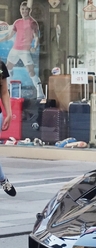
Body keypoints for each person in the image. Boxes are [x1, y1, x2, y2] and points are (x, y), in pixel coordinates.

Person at [0, 2, 44, 99]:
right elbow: (10, 35)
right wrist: (1, 39)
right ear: (20, 10)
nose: (24, 11)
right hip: (15, 49)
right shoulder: (17, 22)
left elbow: (36, 37)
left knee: (31, 71)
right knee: (7, 68)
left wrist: (34, 47)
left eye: (26, 9)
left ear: (29, 10)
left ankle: (40, 93)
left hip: (25, 51)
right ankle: (8, 89)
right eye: (22, 9)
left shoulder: (32, 23)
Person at [0, 60, 16, 197]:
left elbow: (4, 92)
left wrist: (9, 113)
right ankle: (2, 179)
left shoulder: (0, 65)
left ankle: (2, 179)